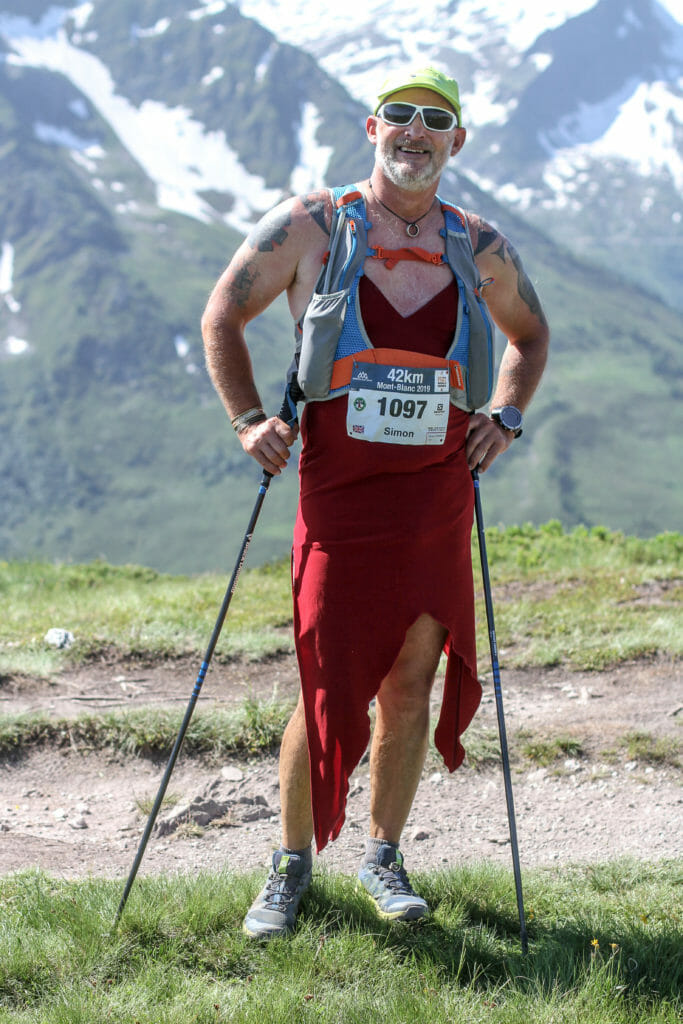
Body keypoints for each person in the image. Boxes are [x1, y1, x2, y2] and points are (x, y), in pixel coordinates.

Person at [201, 65, 549, 939]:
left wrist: (504, 416)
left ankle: (383, 856)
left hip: (434, 496)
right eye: (400, 115)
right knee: (328, 682)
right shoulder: (311, 225)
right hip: (339, 495)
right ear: (371, 127)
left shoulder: (479, 243)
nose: (415, 131)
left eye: (435, 120)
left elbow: (530, 336)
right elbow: (222, 316)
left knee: (409, 681)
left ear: (456, 141)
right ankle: (289, 867)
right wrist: (248, 419)